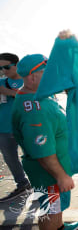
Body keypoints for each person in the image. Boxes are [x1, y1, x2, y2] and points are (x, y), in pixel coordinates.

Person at [11, 54, 78, 230]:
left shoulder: (37, 94)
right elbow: (43, 152)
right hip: (49, 173)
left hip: (53, 170)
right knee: (49, 211)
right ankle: (54, 226)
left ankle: (60, 226)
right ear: (32, 76)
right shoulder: (36, 109)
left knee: (55, 208)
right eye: (47, 71)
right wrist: (61, 176)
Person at [0, 53, 31, 202]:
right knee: (10, 159)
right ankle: (22, 184)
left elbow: (35, 97)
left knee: (33, 158)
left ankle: (41, 187)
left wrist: (11, 93)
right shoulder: (0, 82)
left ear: (17, 65)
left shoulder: (29, 81)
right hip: (4, 128)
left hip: (27, 128)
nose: (4, 70)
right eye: (0, 68)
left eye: (6, 67)